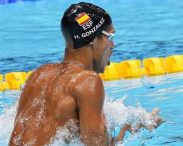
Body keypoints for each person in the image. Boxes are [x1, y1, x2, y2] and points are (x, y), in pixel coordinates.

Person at [9, 2, 163, 146]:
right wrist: (137, 128)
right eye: (110, 37)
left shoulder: (38, 75)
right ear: (93, 39)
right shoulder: (88, 81)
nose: (113, 45)